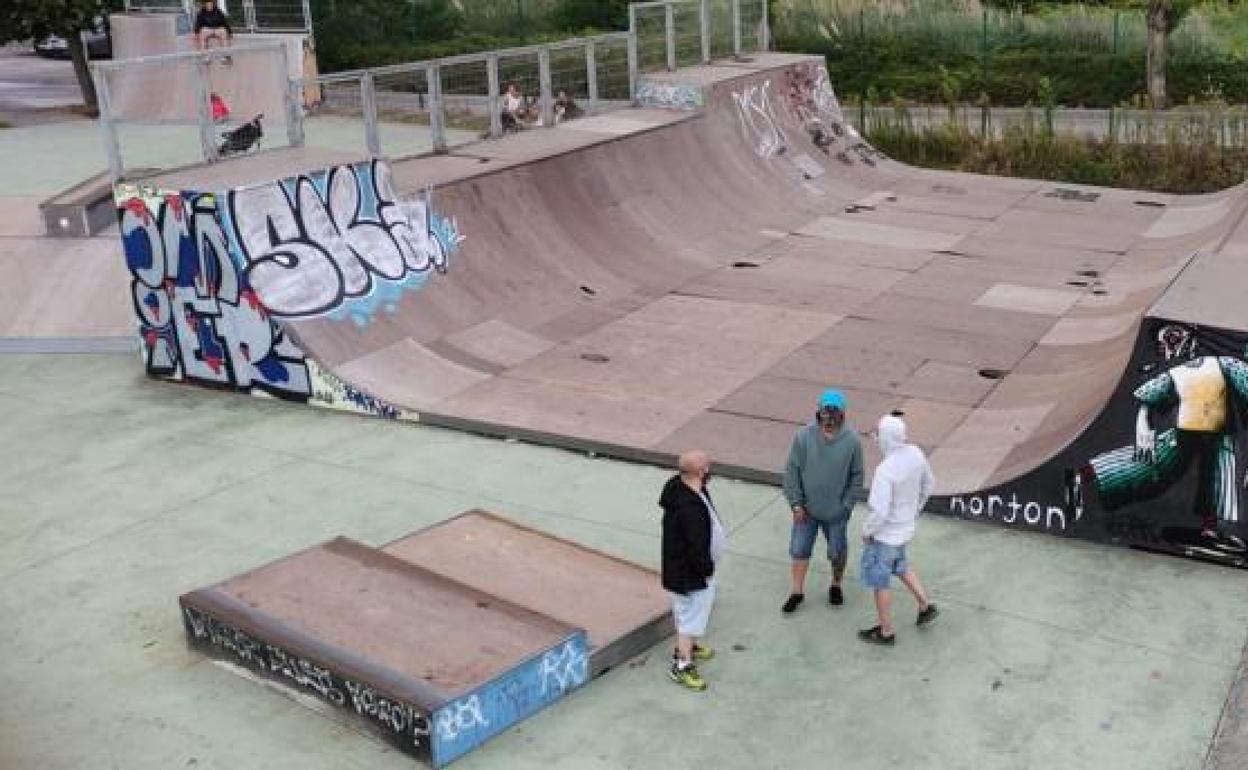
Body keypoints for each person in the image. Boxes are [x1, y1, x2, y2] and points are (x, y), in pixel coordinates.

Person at [858, 413, 939, 645]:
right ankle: (925, 605)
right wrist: (914, 510)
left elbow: (880, 512)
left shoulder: (885, 470)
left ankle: (886, 631)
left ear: (885, 438)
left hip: (885, 536)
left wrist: (867, 531)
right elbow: (929, 483)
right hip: (905, 529)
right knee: (901, 565)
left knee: (880, 581)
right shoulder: (915, 453)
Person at [781, 389, 864, 613]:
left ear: (842, 416)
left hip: (836, 514)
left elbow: (857, 477)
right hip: (805, 511)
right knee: (799, 549)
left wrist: (846, 507)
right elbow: (792, 472)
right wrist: (796, 504)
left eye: (833, 420)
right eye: (824, 419)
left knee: (837, 551)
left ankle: (836, 585)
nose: (827, 424)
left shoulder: (853, 442)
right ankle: (796, 591)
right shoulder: (803, 437)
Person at [660, 449, 727, 692]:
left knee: (685, 613)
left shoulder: (681, 487)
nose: (710, 470)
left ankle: (688, 647)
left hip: (679, 571)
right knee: (691, 619)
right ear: (699, 472)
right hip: (691, 575)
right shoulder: (689, 510)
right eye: (707, 467)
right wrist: (706, 570)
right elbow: (696, 547)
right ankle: (682, 664)